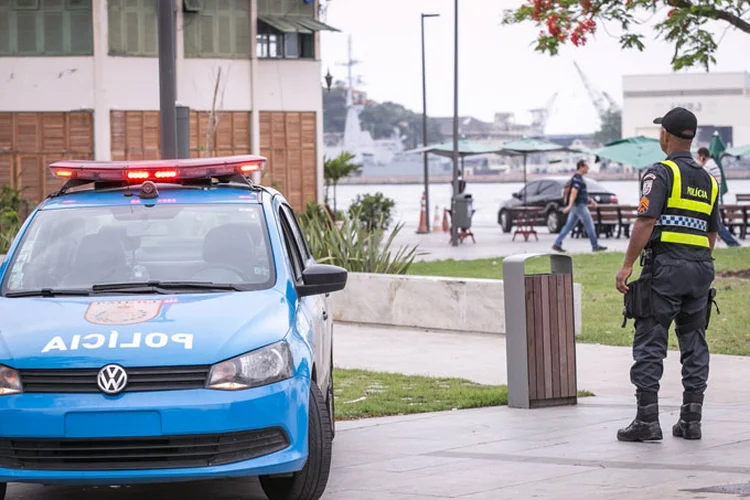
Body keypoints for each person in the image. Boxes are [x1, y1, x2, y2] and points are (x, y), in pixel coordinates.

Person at [615, 107, 721, 442]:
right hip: (700, 269)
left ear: (666, 135)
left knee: (650, 340)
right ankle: (691, 421)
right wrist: (696, 263)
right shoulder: (709, 180)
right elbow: (712, 234)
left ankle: (647, 421)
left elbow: (645, 221)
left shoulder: (660, 173)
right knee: (694, 343)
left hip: (665, 271)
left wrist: (627, 265)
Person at [552, 159, 607, 253]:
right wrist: (570, 206)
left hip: (577, 206)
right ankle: (595, 246)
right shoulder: (577, 178)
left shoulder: (579, 178)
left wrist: (591, 201)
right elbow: (574, 192)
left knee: (568, 226)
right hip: (579, 206)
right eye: (586, 166)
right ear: (581, 166)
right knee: (589, 225)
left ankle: (557, 243)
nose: (588, 168)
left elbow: (582, 193)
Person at [696, 147, 741, 247]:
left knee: (716, 225)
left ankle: (733, 243)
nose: (697, 160)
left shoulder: (708, 167)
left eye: (698, 157)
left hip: (712, 200)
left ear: (703, 157)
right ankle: (731, 243)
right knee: (715, 223)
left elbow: (699, 175)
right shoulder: (713, 165)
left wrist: (699, 164)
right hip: (715, 199)